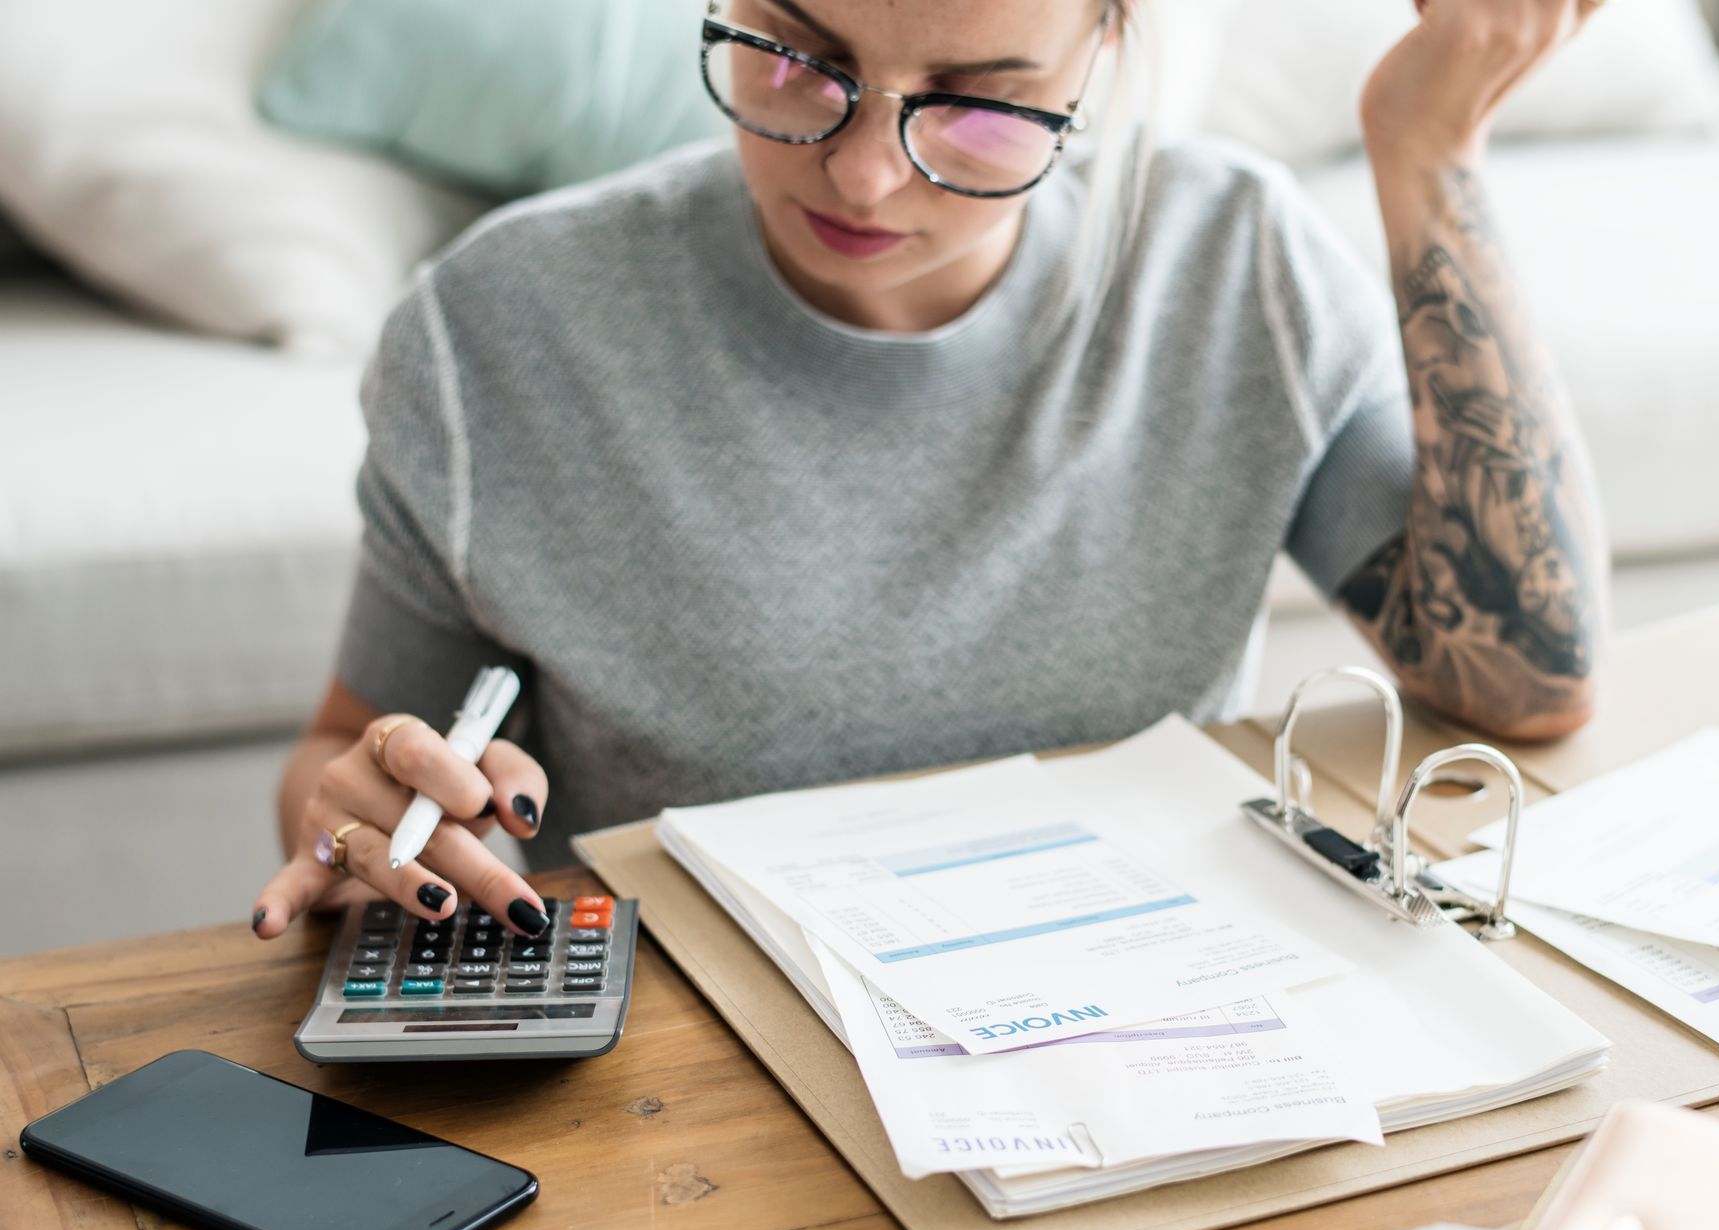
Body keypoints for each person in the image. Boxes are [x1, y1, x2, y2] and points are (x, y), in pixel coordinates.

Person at [253, 0, 1611, 942]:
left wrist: (1432, 152)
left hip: (1150, 1031)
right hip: (694, 1093)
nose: (862, 176)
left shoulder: (1233, 269)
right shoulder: (495, 334)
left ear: (1105, 48)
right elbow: (348, 751)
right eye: (794, 56)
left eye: (978, 105)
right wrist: (358, 822)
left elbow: (1522, 676)